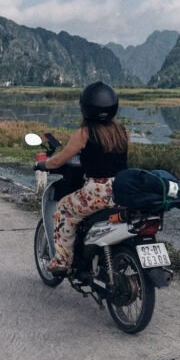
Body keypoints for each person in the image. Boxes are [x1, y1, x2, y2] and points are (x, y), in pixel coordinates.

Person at [40, 81, 129, 275]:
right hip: (122, 189)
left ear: (85, 106)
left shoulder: (85, 132)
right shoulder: (122, 131)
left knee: (63, 209)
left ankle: (62, 261)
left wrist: (44, 164)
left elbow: (60, 159)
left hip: (97, 192)